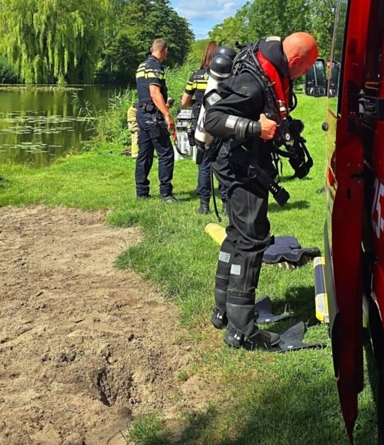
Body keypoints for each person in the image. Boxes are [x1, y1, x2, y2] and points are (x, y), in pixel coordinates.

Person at [203, 32, 319, 350]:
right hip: (241, 168)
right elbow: (213, 118)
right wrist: (256, 128)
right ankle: (243, 331)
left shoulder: (270, 68)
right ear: (294, 61)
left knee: (237, 235)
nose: (304, 75)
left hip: (240, 163)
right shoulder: (254, 82)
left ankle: (223, 312)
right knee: (252, 241)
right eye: (305, 69)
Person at [135, 38, 177, 202]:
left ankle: (141, 192)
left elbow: (147, 94)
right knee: (166, 154)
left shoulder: (142, 65)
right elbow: (154, 92)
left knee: (144, 155)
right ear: (164, 51)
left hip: (142, 114)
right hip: (153, 117)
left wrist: (164, 105)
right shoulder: (155, 66)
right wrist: (167, 115)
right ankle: (166, 193)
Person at [181, 40, 220, 215]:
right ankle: (226, 203)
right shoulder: (224, 76)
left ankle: (204, 205)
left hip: (201, 122)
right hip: (221, 121)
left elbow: (185, 101)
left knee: (204, 163)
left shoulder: (195, 76)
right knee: (223, 161)